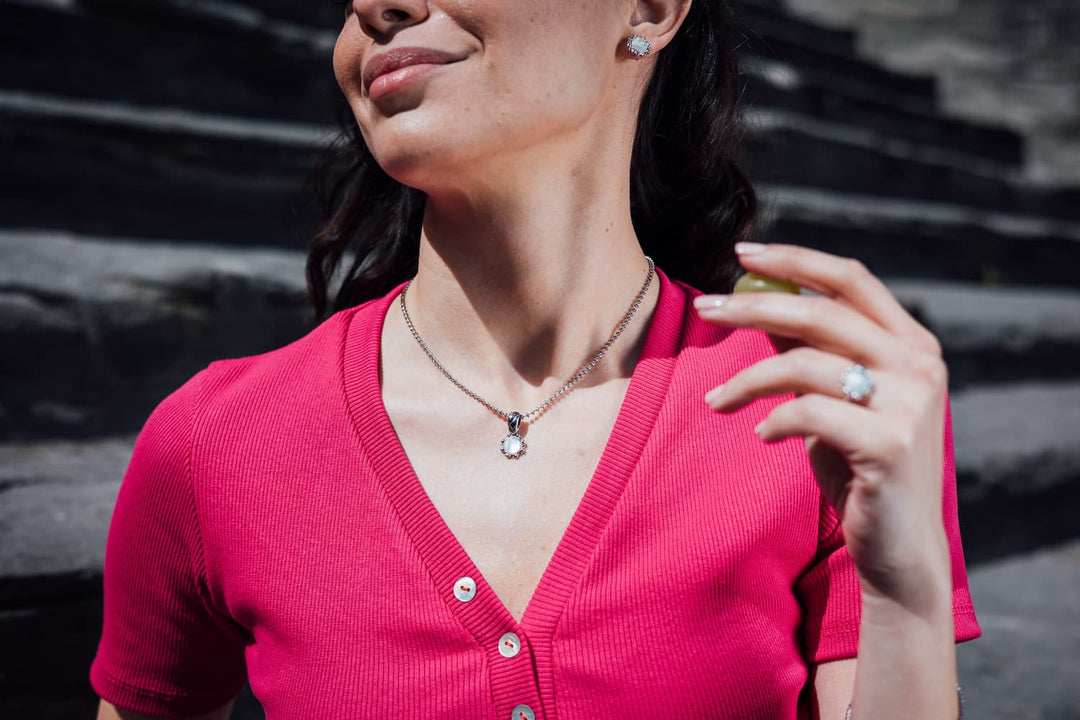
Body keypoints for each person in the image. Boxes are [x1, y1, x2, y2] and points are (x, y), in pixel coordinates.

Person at [92, 1, 981, 718]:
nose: (373, 7)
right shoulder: (214, 438)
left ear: (651, 8)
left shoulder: (810, 401)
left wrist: (906, 591)